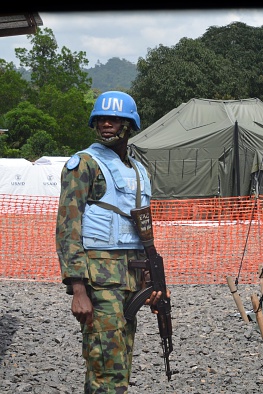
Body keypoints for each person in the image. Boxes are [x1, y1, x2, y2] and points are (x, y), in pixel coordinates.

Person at [55, 91, 169, 393]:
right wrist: (77, 288)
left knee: (122, 362)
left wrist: (153, 281)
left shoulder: (138, 171)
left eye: (114, 119)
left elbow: (142, 231)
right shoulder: (84, 164)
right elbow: (68, 226)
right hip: (99, 281)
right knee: (106, 366)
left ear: (128, 124)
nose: (106, 123)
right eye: (101, 119)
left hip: (131, 277)